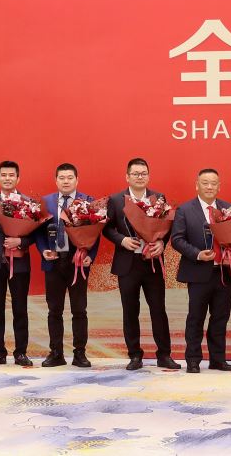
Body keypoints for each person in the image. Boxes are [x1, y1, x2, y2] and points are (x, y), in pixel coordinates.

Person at [103, 158, 179, 371]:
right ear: (127, 177)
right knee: (130, 310)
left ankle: (164, 355)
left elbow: (168, 225)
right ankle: (135, 355)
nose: (139, 177)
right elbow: (106, 228)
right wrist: (122, 240)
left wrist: (162, 242)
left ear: (149, 176)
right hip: (128, 263)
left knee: (158, 309)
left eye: (143, 173)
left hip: (152, 262)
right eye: (135, 173)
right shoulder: (116, 200)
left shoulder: (158, 198)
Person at [170, 168, 231, 373]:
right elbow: (176, 239)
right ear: (197, 185)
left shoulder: (229, 208)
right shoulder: (185, 209)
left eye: (214, 183)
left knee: (220, 317)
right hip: (198, 272)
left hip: (223, 272)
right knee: (196, 317)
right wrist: (197, 254)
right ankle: (193, 359)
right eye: (205, 183)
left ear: (219, 186)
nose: (210, 187)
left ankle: (218, 359)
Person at [0, 160, 34, 367]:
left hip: (19, 264)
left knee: (20, 309)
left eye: (11, 175)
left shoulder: (28, 203)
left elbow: (36, 234)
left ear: (18, 178)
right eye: (4, 175)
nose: (7, 178)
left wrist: (21, 241)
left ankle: (21, 353)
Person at [37, 163, 94, 368]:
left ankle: (80, 353)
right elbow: (37, 231)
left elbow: (95, 232)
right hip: (53, 261)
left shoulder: (88, 201)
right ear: (56, 180)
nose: (66, 181)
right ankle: (56, 353)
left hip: (77, 261)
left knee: (79, 310)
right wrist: (43, 250)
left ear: (77, 180)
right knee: (54, 310)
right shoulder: (46, 202)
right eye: (62, 178)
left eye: (70, 177)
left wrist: (91, 256)